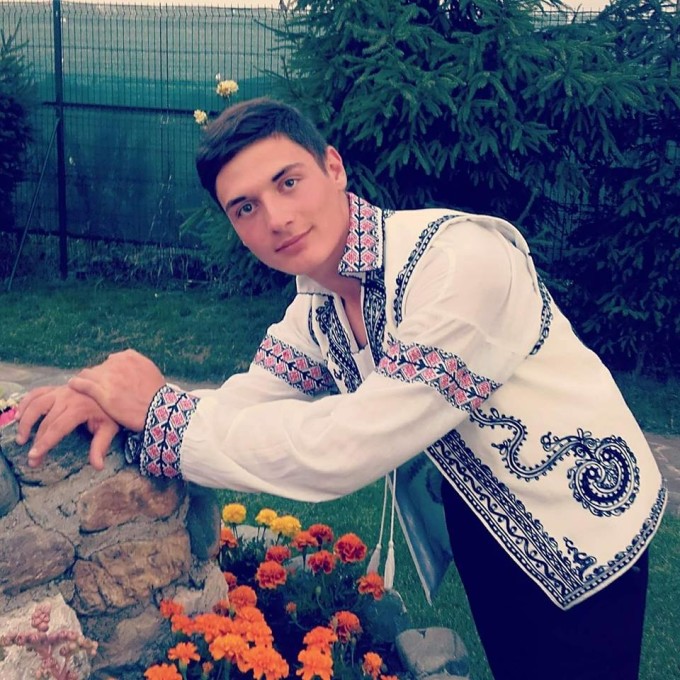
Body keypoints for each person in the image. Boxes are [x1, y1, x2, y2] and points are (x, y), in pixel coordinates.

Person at [15, 98, 666, 680]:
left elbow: (349, 446)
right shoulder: (319, 305)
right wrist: (110, 401)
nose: (276, 218)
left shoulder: (460, 264)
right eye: (246, 208)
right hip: (482, 516)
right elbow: (251, 398)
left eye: (288, 182)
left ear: (333, 168)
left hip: (582, 522)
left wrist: (160, 414)